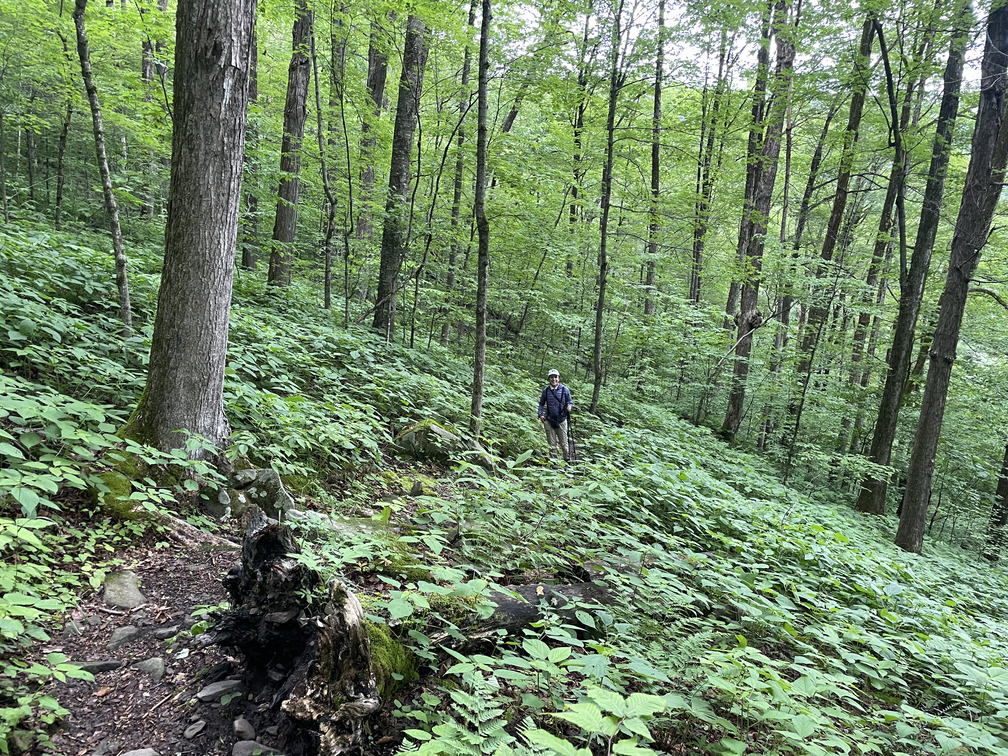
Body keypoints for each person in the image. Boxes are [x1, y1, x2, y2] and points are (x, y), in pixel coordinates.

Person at [538, 368, 573, 461]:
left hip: (561, 420)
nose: (554, 379)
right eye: (551, 377)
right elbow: (541, 403)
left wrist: (569, 406)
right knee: (551, 444)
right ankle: (554, 463)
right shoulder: (546, 391)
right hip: (549, 420)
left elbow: (570, 402)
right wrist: (540, 414)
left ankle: (567, 460)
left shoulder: (565, 390)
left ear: (559, 378)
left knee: (564, 443)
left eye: (555, 377)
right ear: (549, 379)